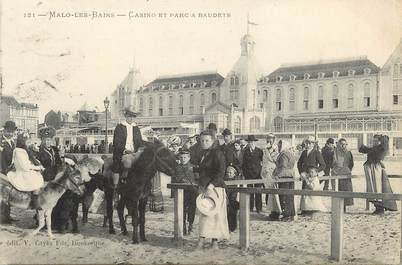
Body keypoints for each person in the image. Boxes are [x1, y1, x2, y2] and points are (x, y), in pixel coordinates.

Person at [197, 130, 228, 250]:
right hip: (205, 187)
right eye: (202, 141)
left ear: (213, 141)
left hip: (215, 188)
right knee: (205, 215)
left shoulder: (217, 153)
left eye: (206, 140)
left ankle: (214, 242)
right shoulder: (204, 154)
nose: (204, 143)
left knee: (215, 216)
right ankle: (202, 241)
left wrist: (211, 185)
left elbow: (221, 171)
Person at [359, 134, 397, 214]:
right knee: (372, 187)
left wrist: (381, 137)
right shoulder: (374, 148)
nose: (374, 142)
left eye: (376, 141)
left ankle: (380, 207)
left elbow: (385, 141)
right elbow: (362, 149)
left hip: (375, 169)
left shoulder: (381, 148)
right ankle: (377, 206)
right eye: (373, 141)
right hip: (371, 168)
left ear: (380, 141)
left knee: (377, 186)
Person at [5, 133, 45, 208]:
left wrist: (37, 164)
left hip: (24, 170)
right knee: (36, 181)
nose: (28, 142)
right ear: (22, 141)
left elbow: (28, 162)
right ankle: (34, 202)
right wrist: (38, 168)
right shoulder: (19, 151)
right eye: (27, 140)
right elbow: (25, 167)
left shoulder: (23, 150)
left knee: (38, 177)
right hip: (22, 173)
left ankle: (35, 199)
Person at [111, 107, 143, 189]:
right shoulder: (119, 127)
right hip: (122, 152)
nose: (131, 118)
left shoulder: (136, 128)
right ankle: (117, 186)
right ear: (126, 116)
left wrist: (139, 150)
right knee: (120, 164)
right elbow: (116, 142)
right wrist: (124, 150)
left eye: (133, 116)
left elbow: (139, 142)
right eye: (129, 116)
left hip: (134, 153)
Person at [175, 148, 198, 234]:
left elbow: (197, 179)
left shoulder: (193, 167)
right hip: (181, 192)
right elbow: (175, 178)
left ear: (189, 158)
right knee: (182, 209)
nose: (183, 159)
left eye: (185, 157)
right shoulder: (177, 168)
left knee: (192, 209)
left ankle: (190, 225)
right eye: (181, 157)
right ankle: (183, 225)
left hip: (192, 191)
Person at [273, 140, 296, 221]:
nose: (278, 148)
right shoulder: (290, 153)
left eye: (280, 146)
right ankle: (291, 214)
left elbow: (283, 166)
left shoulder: (283, 155)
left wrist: (277, 175)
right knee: (290, 197)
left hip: (284, 177)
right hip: (290, 176)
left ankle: (286, 215)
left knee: (284, 197)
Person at [0, 121, 17, 223]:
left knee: (9, 194)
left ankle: (7, 215)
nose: (10, 133)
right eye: (8, 131)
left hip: (10, 172)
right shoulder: (0, 142)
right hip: (2, 171)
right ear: (4, 131)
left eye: (12, 132)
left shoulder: (12, 142)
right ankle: (2, 217)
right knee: (3, 195)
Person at [261, 133, 280, 220]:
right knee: (268, 192)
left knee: (274, 192)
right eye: (268, 138)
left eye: (271, 138)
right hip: (265, 172)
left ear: (274, 139)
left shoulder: (276, 148)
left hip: (272, 171)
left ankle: (276, 211)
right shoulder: (265, 148)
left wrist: (270, 150)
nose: (269, 140)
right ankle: (270, 211)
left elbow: (275, 160)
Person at [242, 135, 264, 213]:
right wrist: (245, 174)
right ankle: (250, 207)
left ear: (255, 142)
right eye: (249, 142)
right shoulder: (245, 152)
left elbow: (263, 163)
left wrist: (261, 172)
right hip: (249, 175)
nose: (251, 143)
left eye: (252, 142)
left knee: (258, 191)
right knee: (250, 192)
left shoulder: (259, 151)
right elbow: (243, 164)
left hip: (258, 174)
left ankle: (259, 208)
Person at [332, 138, 354, 212]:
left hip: (346, 174)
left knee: (346, 191)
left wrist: (347, 170)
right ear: (338, 145)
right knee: (338, 191)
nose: (343, 146)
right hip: (337, 174)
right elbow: (332, 163)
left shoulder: (349, 153)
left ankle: (344, 208)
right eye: (341, 144)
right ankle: (339, 208)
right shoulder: (335, 152)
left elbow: (351, 164)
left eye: (345, 144)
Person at [225, 165, 241, 232]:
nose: (228, 174)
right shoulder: (225, 181)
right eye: (227, 172)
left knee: (233, 212)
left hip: (233, 200)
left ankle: (232, 227)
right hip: (227, 199)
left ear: (234, 174)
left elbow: (236, 193)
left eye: (230, 173)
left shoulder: (236, 182)